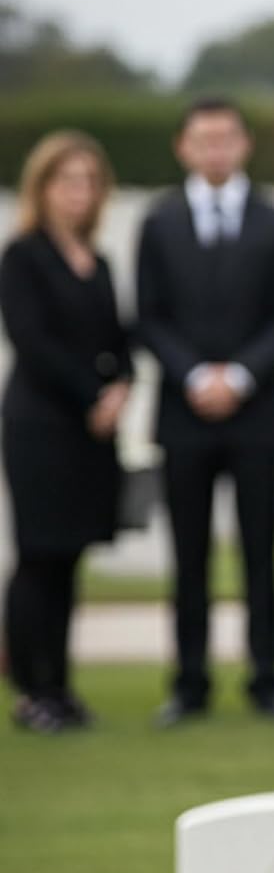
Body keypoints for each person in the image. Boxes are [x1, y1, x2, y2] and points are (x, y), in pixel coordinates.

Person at [134, 97, 274, 725]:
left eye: (226, 138)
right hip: (183, 413)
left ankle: (267, 679)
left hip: (258, 413)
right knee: (189, 555)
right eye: (203, 139)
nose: (216, 149)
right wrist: (195, 375)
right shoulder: (159, 222)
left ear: (244, 144)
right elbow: (148, 315)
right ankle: (189, 683)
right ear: (183, 147)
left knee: (262, 552)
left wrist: (241, 374)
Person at [0, 132, 131, 732]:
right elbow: (33, 341)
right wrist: (91, 395)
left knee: (71, 556)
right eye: (67, 180)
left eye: (89, 181)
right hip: (40, 425)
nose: (79, 192)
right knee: (39, 555)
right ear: (43, 187)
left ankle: (61, 684)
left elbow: (115, 338)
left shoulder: (97, 262)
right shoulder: (22, 257)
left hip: (89, 434)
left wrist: (122, 384)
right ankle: (33, 690)